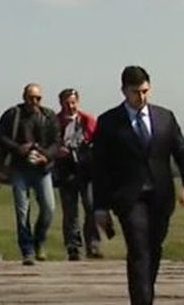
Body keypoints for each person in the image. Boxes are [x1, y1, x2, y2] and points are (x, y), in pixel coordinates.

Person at [91, 65, 184, 305]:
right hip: (129, 198)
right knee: (139, 249)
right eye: (135, 92)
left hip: (161, 196)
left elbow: (183, 154)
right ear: (124, 91)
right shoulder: (109, 122)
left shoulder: (165, 117)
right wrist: (100, 207)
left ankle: (145, 293)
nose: (141, 97)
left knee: (153, 248)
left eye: (145, 91)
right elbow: (99, 168)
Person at [0, 83, 61, 265]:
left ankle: (39, 240)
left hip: (42, 169)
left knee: (49, 208)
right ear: (24, 97)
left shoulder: (48, 116)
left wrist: (46, 156)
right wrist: (18, 148)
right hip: (20, 168)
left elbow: (56, 142)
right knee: (22, 211)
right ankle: (27, 250)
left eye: (38, 98)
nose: (34, 101)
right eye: (31, 97)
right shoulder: (13, 114)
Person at [54, 87, 102, 260]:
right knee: (70, 211)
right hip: (65, 170)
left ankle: (93, 245)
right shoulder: (55, 121)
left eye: (73, 102)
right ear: (61, 103)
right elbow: (48, 142)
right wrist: (57, 151)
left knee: (91, 207)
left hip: (86, 170)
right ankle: (73, 247)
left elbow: (98, 141)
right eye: (67, 103)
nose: (70, 106)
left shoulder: (87, 120)